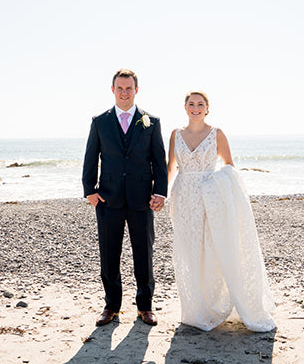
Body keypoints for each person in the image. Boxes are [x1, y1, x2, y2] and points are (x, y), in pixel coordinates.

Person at [167, 91, 276, 332]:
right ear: (185, 107)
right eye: (191, 104)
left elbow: (229, 167)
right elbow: (171, 168)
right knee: (188, 251)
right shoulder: (175, 135)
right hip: (183, 197)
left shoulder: (217, 134)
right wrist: (160, 195)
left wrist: (218, 189)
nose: (196, 108)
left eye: (200, 104)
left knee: (212, 251)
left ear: (207, 108)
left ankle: (214, 305)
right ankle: (194, 310)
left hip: (210, 196)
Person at [82, 69, 168, 327]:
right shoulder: (100, 122)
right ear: (112, 90)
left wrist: (160, 192)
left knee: (144, 253)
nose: (124, 92)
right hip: (108, 199)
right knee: (109, 254)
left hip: (142, 199)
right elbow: (91, 157)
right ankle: (111, 306)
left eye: (129, 88)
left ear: (136, 90)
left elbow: (158, 160)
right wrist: (90, 191)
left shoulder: (151, 121)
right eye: (120, 88)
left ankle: (145, 306)